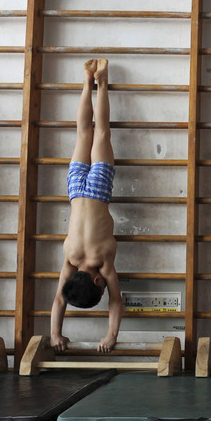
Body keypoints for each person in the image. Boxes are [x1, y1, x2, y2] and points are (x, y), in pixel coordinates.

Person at [50, 59, 124, 353]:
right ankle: (86, 82)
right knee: (83, 133)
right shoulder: (70, 259)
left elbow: (117, 300)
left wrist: (111, 336)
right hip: (74, 190)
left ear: (97, 279)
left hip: (97, 192)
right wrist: (54, 333)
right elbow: (58, 300)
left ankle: (102, 82)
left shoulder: (103, 262)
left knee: (101, 132)